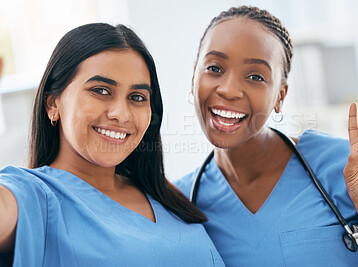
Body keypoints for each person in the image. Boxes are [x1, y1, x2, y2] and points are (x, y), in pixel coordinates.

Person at [175, 6, 358, 267]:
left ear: (280, 96)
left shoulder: (347, 167)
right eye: (214, 68)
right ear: (193, 76)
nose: (228, 90)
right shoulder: (181, 202)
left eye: (256, 76)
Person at [0, 23, 224, 267]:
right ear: (53, 104)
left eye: (137, 97)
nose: (121, 114)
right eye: (101, 90)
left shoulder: (164, 194)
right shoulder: (31, 196)